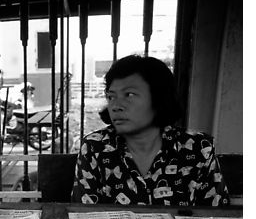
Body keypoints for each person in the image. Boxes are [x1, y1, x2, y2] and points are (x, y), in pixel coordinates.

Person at [71, 55, 229, 207]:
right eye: (111, 97)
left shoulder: (198, 148)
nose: (116, 106)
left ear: (158, 98)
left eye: (129, 95)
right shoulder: (95, 147)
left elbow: (216, 216)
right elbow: (83, 218)